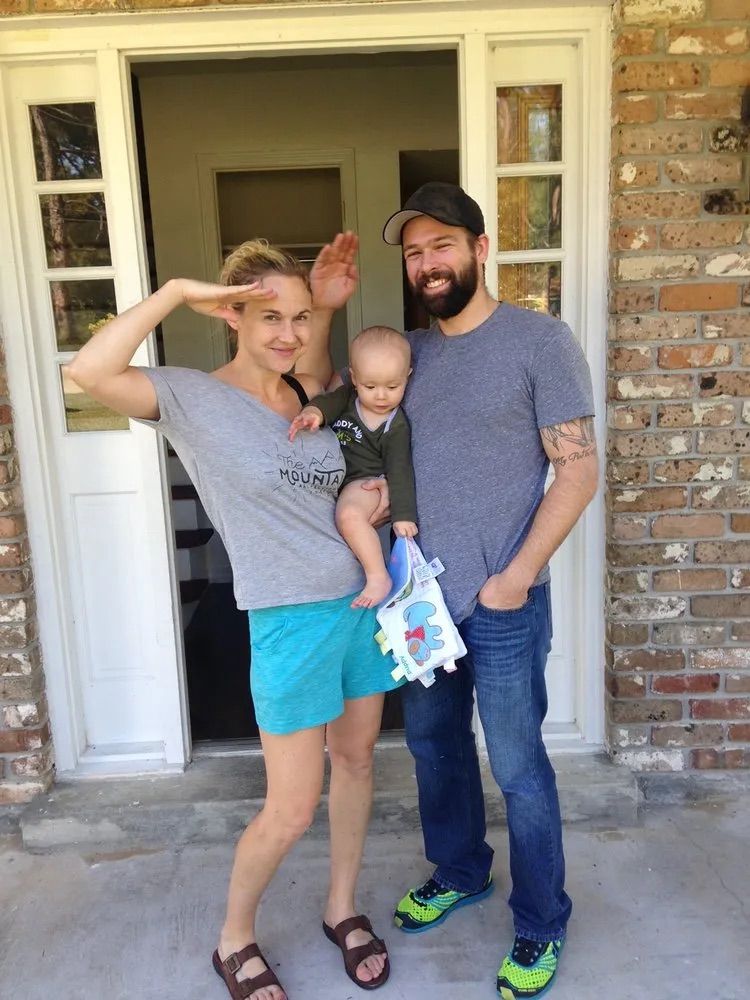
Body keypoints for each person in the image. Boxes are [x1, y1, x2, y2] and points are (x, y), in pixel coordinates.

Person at [65, 238, 401, 1000]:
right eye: (267, 317)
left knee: (355, 763)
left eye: (300, 319)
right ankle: (233, 938)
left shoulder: (308, 390)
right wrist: (178, 289)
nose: (287, 333)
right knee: (288, 806)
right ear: (232, 317)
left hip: (361, 607)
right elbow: (86, 373)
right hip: (287, 621)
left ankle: (341, 906)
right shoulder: (190, 397)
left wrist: (323, 310)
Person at [296, 182, 598, 1000]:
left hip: (500, 602)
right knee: (433, 751)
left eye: (442, 246)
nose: (428, 263)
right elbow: (326, 392)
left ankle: (540, 920)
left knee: (518, 766)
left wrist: (516, 578)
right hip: (419, 604)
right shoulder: (409, 356)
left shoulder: (539, 340)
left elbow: (577, 469)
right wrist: (324, 307)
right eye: (415, 252)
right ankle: (462, 870)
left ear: (479, 248)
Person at [289, 324, 417, 609]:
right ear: (354, 378)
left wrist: (404, 515)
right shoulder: (347, 397)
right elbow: (326, 404)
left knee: (349, 517)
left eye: (393, 387)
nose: (381, 396)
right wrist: (313, 413)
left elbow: (401, 470)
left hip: (366, 482)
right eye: (370, 386)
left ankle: (377, 576)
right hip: (336, 481)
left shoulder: (395, 425)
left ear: (407, 376)